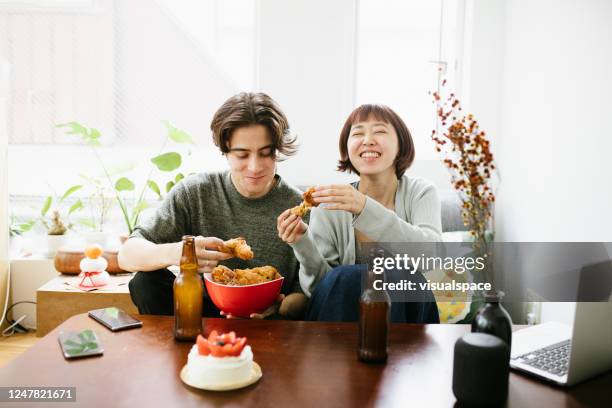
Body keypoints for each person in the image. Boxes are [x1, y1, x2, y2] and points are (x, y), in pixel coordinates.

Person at [119, 92, 307, 319]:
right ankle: (182, 351)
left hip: (267, 322)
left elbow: (304, 291)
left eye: (266, 154)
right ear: (225, 151)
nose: (255, 167)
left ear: (277, 151)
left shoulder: (299, 208)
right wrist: (181, 253)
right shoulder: (195, 192)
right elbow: (127, 255)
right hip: (199, 317)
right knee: (145, 283)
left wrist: (279, 308)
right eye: (242, 155)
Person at [277, 104, 441, 323]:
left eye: (380, 131)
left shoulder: (421, 192)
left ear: (401, 144)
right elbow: (323, 290)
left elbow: (431, 259)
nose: (368, 140)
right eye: (358, 133)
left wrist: (365, 208)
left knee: (394, 275)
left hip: (409, 319)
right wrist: (302, 243)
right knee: (344, 277)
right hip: (341, 322)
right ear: (347, 148)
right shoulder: (329, 203)